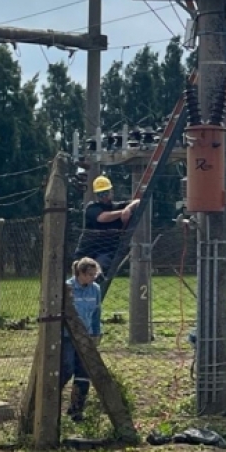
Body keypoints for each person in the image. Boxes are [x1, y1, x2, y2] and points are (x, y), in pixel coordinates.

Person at [73, 176, 140, 282]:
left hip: (106, 252)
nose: (103, 197)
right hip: (86, 251)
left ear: (111, 192)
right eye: (100, 194)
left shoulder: (119, 206)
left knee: (96, 273)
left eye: (105, 193)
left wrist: (128, 208)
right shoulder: (92, 208)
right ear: (96, 195)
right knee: (79, 279)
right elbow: (102, 218)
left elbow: (138, 201)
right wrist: (122, 213)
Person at [62, 257, 103, 422]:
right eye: (90, 274)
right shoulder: (67, 287)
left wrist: (96, 333)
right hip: (67, 335)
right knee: (67, 367)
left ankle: (76, 409)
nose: (93, 278)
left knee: (84, 372)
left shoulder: (96, 289)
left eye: (95, 274)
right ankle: (51, 401)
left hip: (87, 335)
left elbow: (96, 313)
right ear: (80, 273)